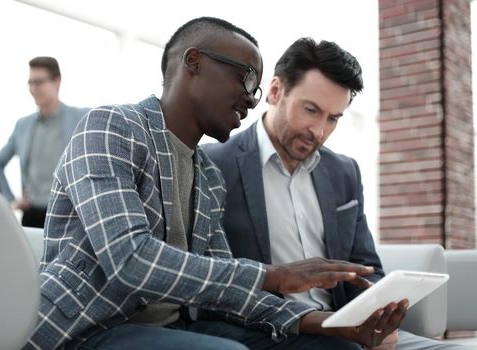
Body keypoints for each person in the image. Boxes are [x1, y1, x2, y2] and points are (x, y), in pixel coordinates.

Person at [22, 18, 408, 350]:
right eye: (247, 79)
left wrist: (324, 323)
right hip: (88, 329)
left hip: (174, 328)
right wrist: (275, 275)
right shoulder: (110, 128)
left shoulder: (207, 176)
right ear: (194, 62)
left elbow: (228, 288)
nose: (252, 100)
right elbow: (130, 260)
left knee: (329, 346)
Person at [203, 38, 470, 349]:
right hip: (265, 331)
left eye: (332, 119)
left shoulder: (344, 172)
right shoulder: (212, 164)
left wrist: (377, 316)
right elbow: (212, 280)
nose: (318, 130)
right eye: (311, 110)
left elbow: (366, 265)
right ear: (275, 91)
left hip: (346, 329)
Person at [0, 56, 89, 228]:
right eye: (30, 83)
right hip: (31, 215)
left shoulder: (81, 118)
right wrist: (10, 200)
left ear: (57, 82)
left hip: (68, 215)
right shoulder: (23, 125)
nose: (33, 89)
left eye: (38, 82)